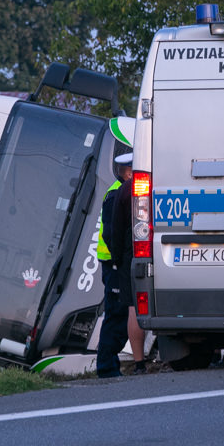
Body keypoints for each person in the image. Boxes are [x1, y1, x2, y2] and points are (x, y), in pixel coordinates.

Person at [95, 153, 133, 378]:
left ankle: (109, 364)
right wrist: (119, 261)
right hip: (113, 263)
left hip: (114, 261)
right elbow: (111, 234)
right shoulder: (116, 194)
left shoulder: (118, 190)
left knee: (118, 313)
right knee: (116, 314)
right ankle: (106, 367)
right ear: (127, 172)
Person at [110, 164, 147, 374]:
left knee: (134, 306)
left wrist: (116, 259)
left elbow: (116, 227)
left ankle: (140, 363)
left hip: (131, 252)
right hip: (157, 247)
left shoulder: (125, 189)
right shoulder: (161, 180)